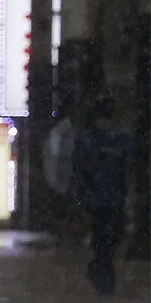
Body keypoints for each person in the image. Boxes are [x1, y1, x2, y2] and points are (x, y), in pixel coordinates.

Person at [73, 95, 135, 296]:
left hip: (109, 198)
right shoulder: (91, 139)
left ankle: (100, 271)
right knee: (105, 239)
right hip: (101, 199)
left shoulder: (117, 139)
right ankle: (104, 278)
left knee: (108, 239)